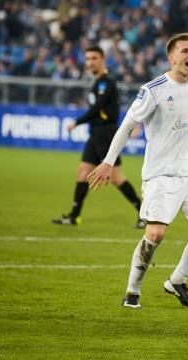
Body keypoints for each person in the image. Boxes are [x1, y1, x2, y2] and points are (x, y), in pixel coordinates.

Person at [88, 33, 188, 309]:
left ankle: (177, 280)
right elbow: (126, 126)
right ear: (171, 57)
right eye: (185, 50)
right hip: (161, 174)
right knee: (156, 234)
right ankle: (132, 290)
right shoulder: (154, 89)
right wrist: (108, 162)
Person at [52, 45, 143, 228]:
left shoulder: (106, 82)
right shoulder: (97, 82)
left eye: (94, 58)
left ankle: (143, 214)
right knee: (82, 173)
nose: (90, 62)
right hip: (95, 135)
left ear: (103, 60)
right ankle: (74, 216)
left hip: (106, 134)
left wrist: (77, 122)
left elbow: (97, 109)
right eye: (87, 59)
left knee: (117, 178)